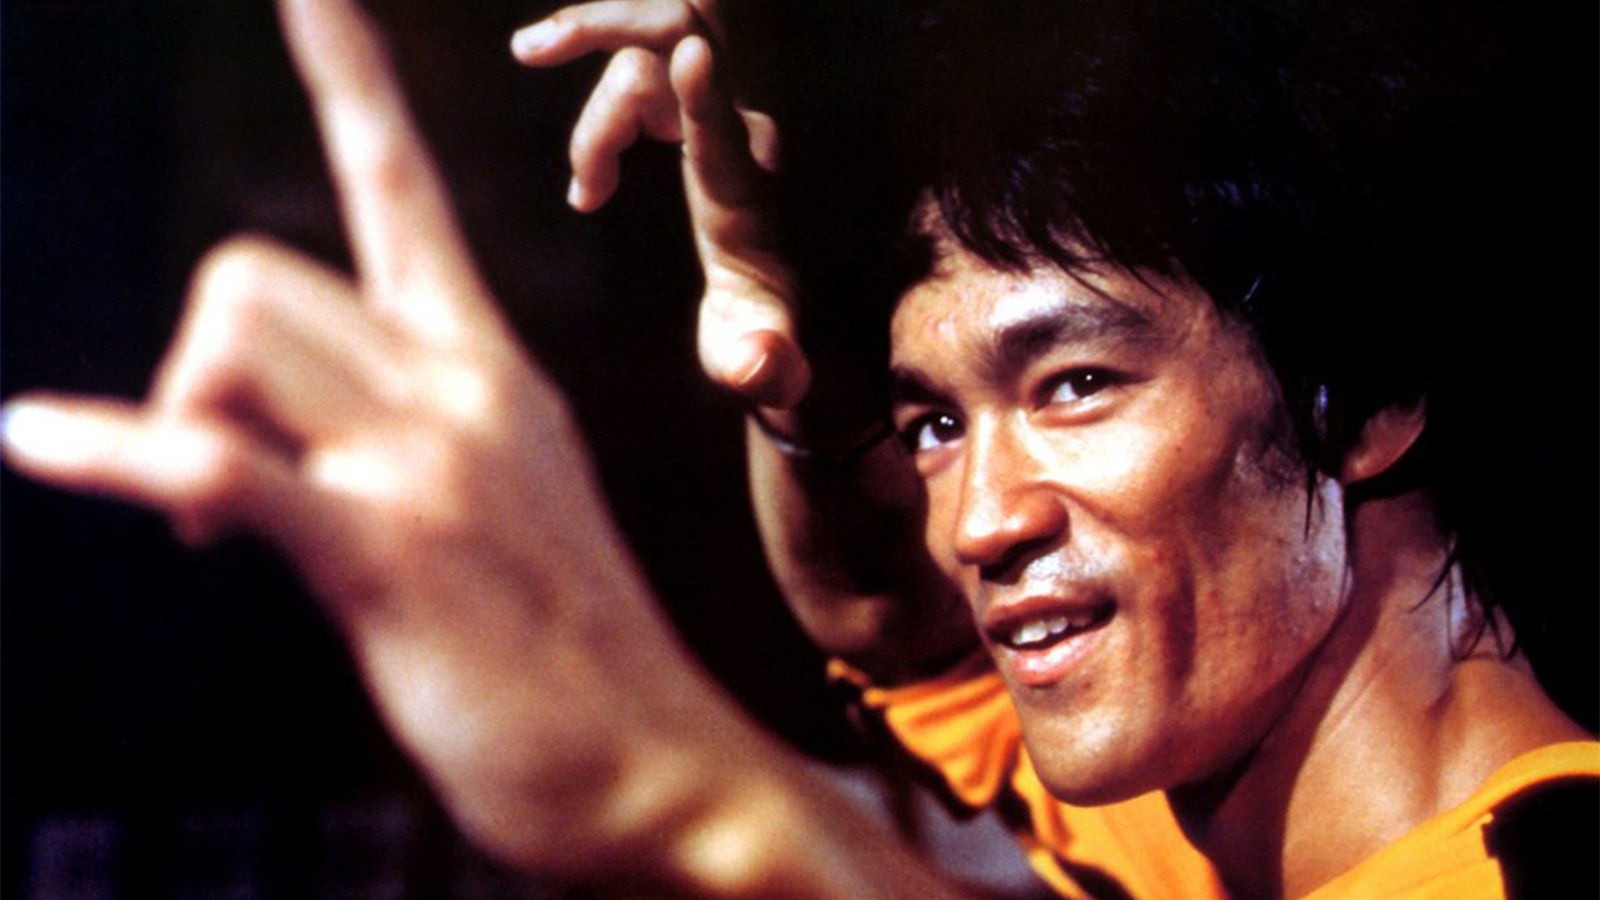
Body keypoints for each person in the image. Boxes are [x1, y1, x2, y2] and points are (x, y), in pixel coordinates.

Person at [2, 0, 1593, 898]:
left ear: (1361, 401)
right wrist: (812, 386)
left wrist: (678, 785)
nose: (977, 522)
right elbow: (893, 627)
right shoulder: (1200, 794)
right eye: (935, 425)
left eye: (1076, 385)